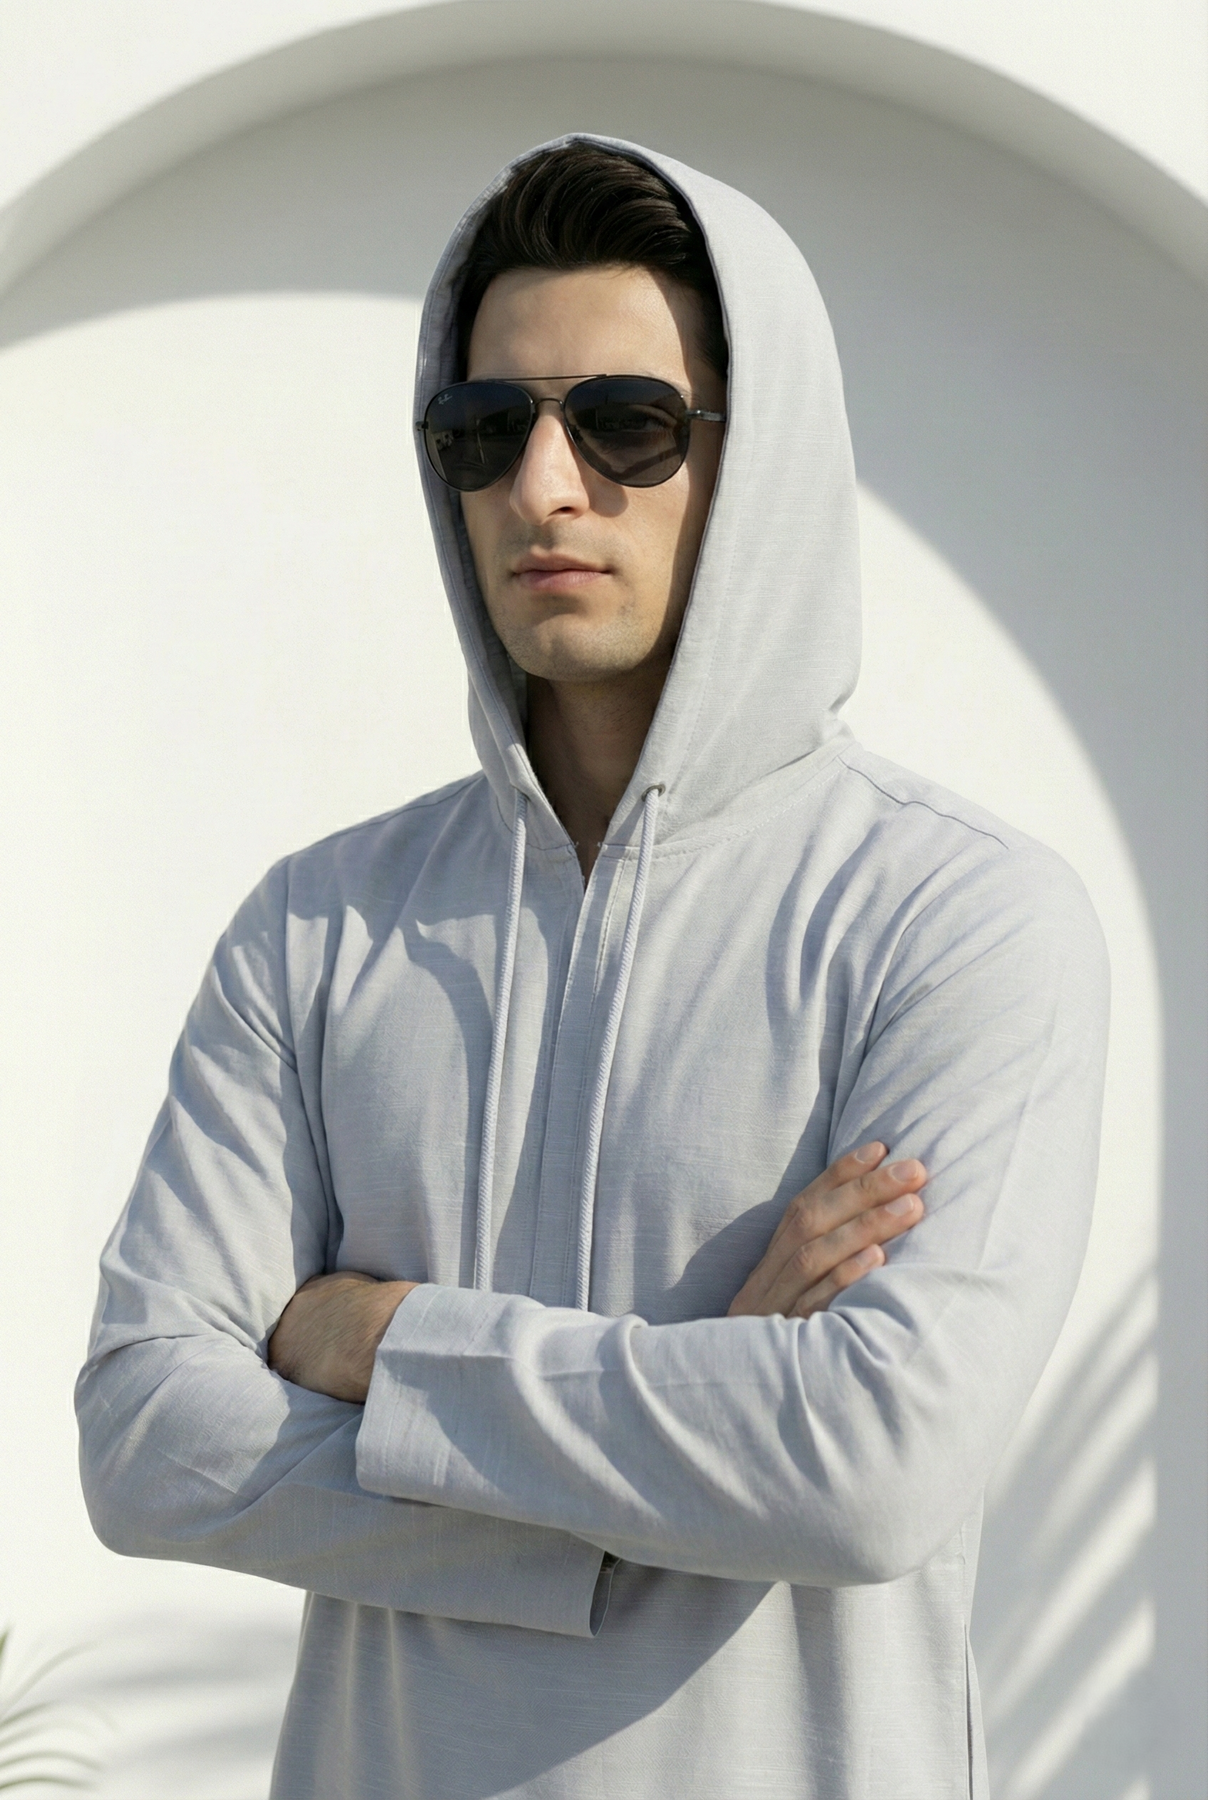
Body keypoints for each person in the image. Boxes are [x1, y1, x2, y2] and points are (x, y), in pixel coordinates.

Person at [77, 137, 1109, 1800]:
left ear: (757, 459)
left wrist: (386, 1342)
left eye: (625, 423)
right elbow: (144, 1438)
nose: (545, 487)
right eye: (486, 430)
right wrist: (675, 1457)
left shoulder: (959, 916)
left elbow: (870, 1468)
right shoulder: (321, 925)